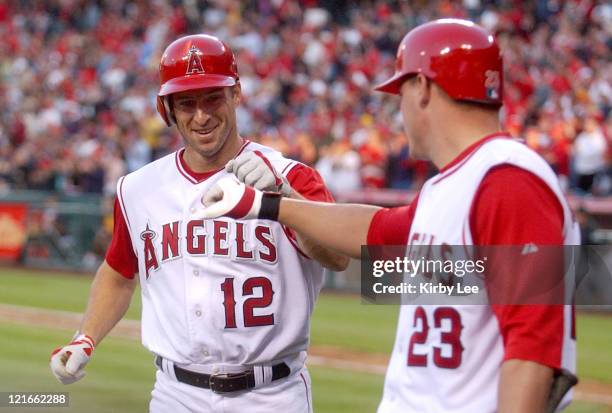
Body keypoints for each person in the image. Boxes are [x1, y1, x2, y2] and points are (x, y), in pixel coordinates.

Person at [198, 19, 579, 413]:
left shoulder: (509, 179)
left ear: (424, 88)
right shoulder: (453, 184)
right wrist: (269, 205)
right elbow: (376, 231)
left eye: (402, 91)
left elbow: (532, 354)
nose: (399, 108)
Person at [49, 34, 348, 413]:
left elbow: (337, 258)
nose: (201, 115)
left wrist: (283, 197)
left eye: (212, 98)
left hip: (272, 394)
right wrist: (85, 337)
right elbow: (119, 273)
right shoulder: (138, 189)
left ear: (236, 93)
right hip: (176, 394)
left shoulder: (291, 176)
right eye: (186, 103)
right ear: (168, 109)